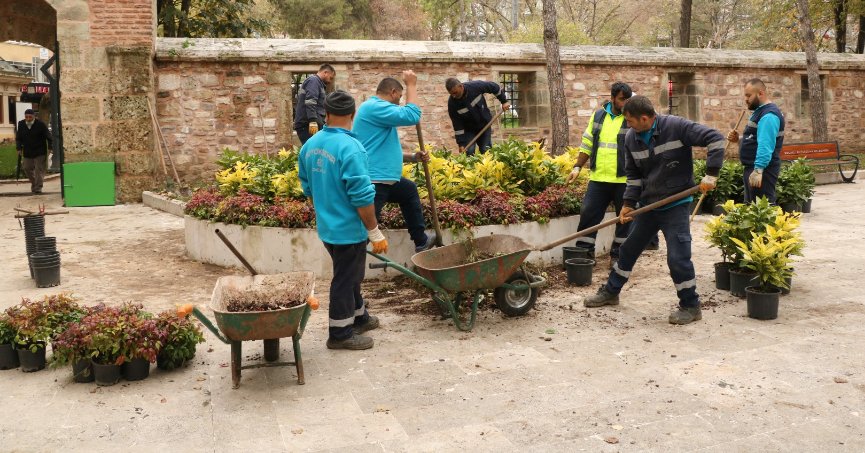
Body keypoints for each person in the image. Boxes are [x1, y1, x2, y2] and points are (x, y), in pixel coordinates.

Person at [581, 96, 726, 325]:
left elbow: (716, 138)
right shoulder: (631, 138)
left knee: (677, 257)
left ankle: (690, 305)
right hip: (649, 206)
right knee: (628, 250)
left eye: (630, 121)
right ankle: (611, 292)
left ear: (645, 118)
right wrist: (628, 204)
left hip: (676, 205)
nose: (628, 125)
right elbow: (634, 176)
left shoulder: (676, 127)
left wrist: (712, 173)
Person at [297, 90, 385, 350]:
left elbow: (308, 187)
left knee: (351, 275)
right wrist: (374, 230)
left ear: (326, 113)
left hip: (328, 228)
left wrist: (326, 211)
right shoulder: (352, 148)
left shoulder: (310, 146)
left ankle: (359, 317)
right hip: (349, 229)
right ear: (353, 114)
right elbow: (362, 195)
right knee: (346, 279)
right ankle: (340, 333)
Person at [566, 82, 657, 265]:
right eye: (622, 99)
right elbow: (587, 143)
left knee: (625, 220)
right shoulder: (599, 116)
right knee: (588, 215)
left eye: (628, 99)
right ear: (613, 98)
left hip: (625, 180)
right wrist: (577, 167)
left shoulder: (632, 118)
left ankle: (618, 257)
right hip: (598, 178)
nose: (625, 103)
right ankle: (583, 254)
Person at [353, 70, 435, 253]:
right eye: (400, 96)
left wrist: (413, 157)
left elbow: (381, 148)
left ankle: (421, 241)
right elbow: (412, 115)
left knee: (408, 191)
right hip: (375, 180)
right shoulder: (374, 107)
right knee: (365, 232)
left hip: (385, 179)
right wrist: (412, 85)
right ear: (393, 92)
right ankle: (348, 267)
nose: (400, 100)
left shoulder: (379, 113)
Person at [726, 78, 785, 203]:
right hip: (753, 168)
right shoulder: (760, 112)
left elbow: (765, 145)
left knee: (763, 210)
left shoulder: (768, 116)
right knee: (753, 210)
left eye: (749, 95)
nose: (746, 99)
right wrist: (738, 139)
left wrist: (758, 170)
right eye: (745, 95)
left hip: (762, 171)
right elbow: (755, 139)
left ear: (761, 93)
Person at [445, 77, 510, 155]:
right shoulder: (452, 103)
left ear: (461, 86)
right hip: (468, 130)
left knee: (485, 150)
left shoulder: (475, 86)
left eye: (455, 92)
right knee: (469, 151)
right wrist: (461, 144)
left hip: (484, 125)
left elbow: (494, 87)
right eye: (451, 94)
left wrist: (504, 101)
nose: (454, 96)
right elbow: (457, 125)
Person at [293, 64, 336, 144]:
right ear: (325, 72)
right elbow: (310, 101)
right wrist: (312, 121)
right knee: (313, 152)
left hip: (310, 124)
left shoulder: (318, 83)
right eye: (330, 77)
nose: (330, 81)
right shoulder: (314, 81)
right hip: (307, 125)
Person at [15, 109, 52, 194]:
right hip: (28, 151)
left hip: (40, 150)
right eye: (26, 117)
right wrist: (18, 148)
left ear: (34, 116)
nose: (28, 119)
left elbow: (49, 137)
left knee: (39, 170)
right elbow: (18, 138)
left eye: (30, 117)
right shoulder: (21, 124)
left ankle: (38, 188)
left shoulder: (40, 125)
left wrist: (50, 147)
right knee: (26, 168)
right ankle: (35, 183)